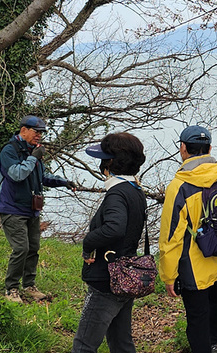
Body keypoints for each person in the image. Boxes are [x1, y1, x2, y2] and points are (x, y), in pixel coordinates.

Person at [159, 125, 217, 353]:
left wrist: (168, 274)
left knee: (197, 316)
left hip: (194, 264)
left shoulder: (179, 187)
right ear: (209, 148)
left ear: (183, 148)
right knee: (216, 300)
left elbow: (171, 237)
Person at [72, 133, 148, 353]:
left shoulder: (116, 194)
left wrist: (88, 243)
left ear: (111, 163)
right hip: (125, 276)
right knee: (121, 343)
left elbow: (115, 228)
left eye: (103, 159)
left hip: (107, 279)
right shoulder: (135, 190)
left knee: (84, 345)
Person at [0, 115, 76, 303]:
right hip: (12, 207)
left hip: (31, 208)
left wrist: (63, 182)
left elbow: (42, 176)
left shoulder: (33, 151)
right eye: (36, 131)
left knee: (33, 248)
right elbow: (17, 174)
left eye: (41, 133)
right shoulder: (9, 150)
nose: (39, 135)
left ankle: (29, 285)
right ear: (23, 130)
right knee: (21, 248)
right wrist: (33, 158)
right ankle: (11, 289)